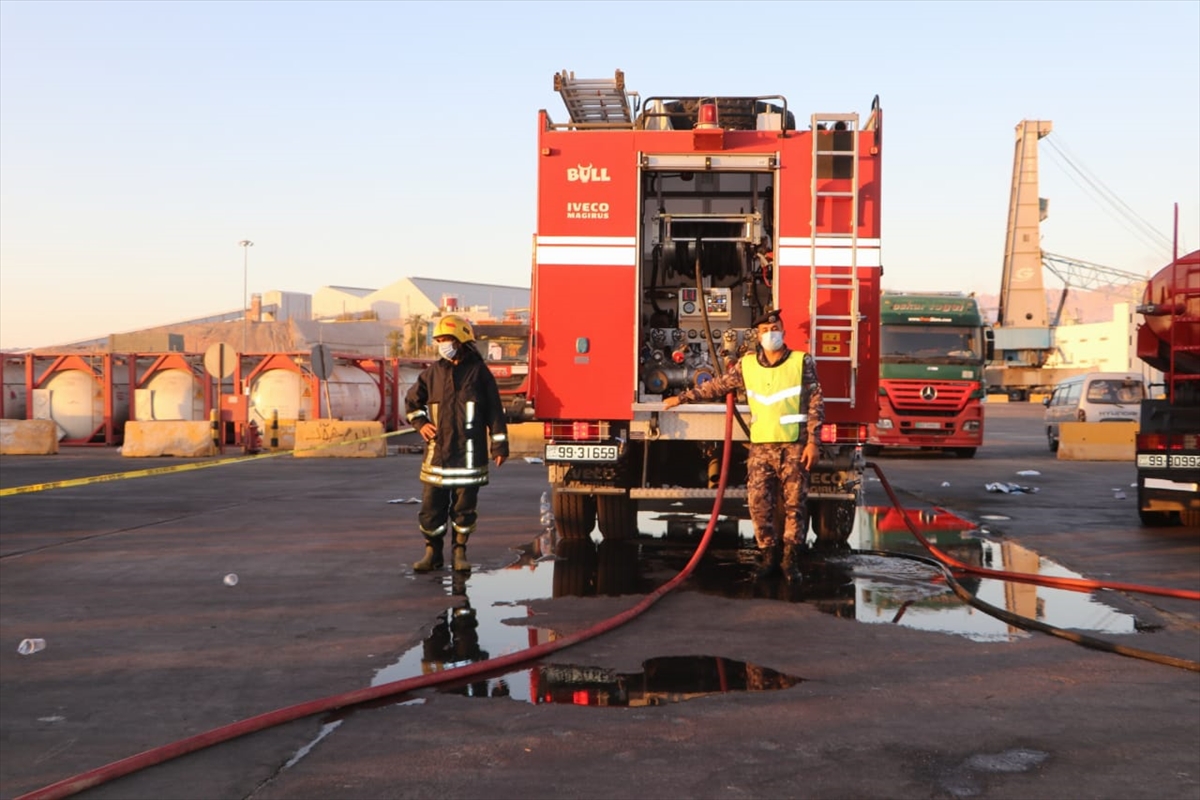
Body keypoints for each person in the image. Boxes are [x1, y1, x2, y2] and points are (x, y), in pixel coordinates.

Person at [662, 308, 824, 583]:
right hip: (760, 447)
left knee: (795, 505)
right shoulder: (747, 365)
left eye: (774, 329)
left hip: (794, 446)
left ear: (783, 332)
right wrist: (682, 398)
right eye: (764, 331)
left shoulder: (801, 361)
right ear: (757, 336)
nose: (770, 334)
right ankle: (768, 556)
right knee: (759, 503)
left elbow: (816, 401)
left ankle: (790, 561)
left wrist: (813, 442)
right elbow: (717, 386)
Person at [405, 315, 509, 573]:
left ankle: (460, 552)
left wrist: (499, 446)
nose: (442, 344)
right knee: (431, 510)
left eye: (446, 339)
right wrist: (421, 424)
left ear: (462, 340)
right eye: (439, 340)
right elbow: (412, 404)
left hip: (469, 456)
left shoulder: (479, 373)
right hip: (437, 457)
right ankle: (432, 552)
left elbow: (495, 411)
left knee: (464, 510)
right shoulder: (432, 373)